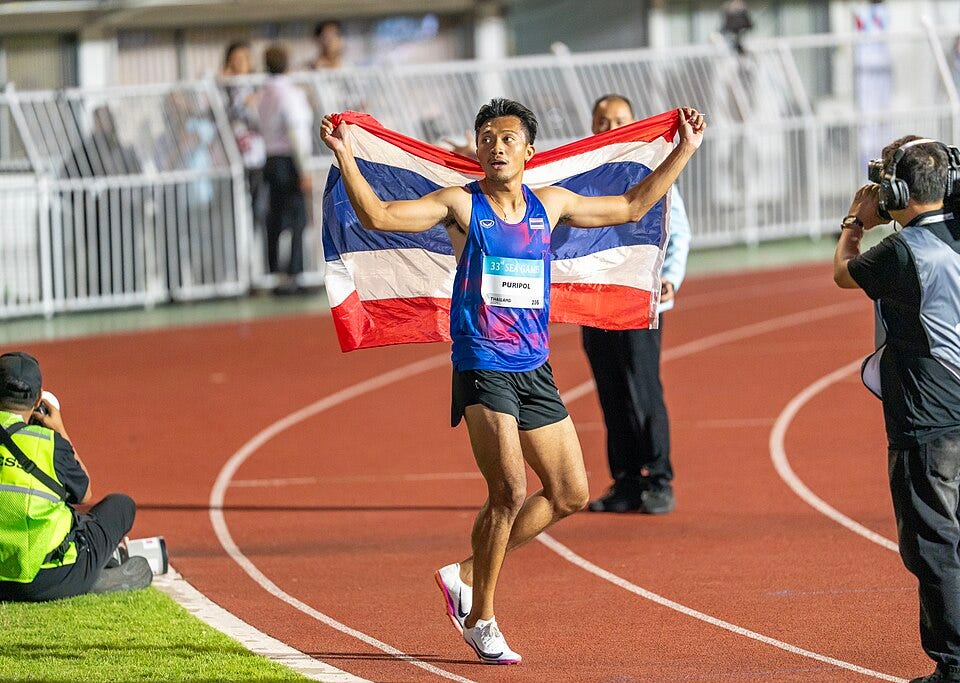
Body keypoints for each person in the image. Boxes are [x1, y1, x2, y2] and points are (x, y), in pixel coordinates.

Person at [321, 98, 705, 663]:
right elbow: (379, 216)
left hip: (534, 366)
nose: (496, 147)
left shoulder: (550, 206)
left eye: (507, 138)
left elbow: (630, 204)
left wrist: (684, 151)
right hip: (481, 363)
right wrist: (346, 155)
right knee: (508, 492)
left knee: (571, 492)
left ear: (528, 150)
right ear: (477, 150)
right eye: (486, 138)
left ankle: (466, 573)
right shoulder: (460, 204)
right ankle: (482, 616)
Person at [834, 136, 960, 683]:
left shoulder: (901, 251)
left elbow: (844, 272)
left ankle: (953, 664)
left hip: (925, 415)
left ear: (897, 191)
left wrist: (853, 222)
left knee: (933, 545)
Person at [582, 94, 692, 515]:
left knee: (643, 388)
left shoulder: (651, 171)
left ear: (634, 124)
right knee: (610, 389)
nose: (611, 128)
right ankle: (625, 481)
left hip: (639, 300)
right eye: (603, 121)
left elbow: (677, 231)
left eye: (619, 121)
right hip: (595, 302)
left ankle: (659, 479)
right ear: (593, 126)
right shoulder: (583, 175)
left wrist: (669, 278)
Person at [0, 352, 151, 602]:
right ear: (38, 398)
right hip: (45, 577)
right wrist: (59, 429)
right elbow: (84, 492)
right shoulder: (49, 444)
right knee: (121, 505)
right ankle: (93, 575)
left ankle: (94, 575)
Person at [258, 43, 314, 295]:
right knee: (297, 219)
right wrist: (303, 170)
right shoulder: (290, 94)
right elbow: (296, 133)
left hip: (270, 159)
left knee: (275, 219)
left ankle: (273, 272)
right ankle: (295, 273)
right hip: (288, 161)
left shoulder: (263, 93)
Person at [220, 40, 266, 238]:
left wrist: (253, 105)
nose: (239, 64)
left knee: (258, 209)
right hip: (231, 158)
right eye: (234, 60)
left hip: (255, 157)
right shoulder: (224, 90)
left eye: (243, 59)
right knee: (234, 212)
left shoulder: (257, 87)